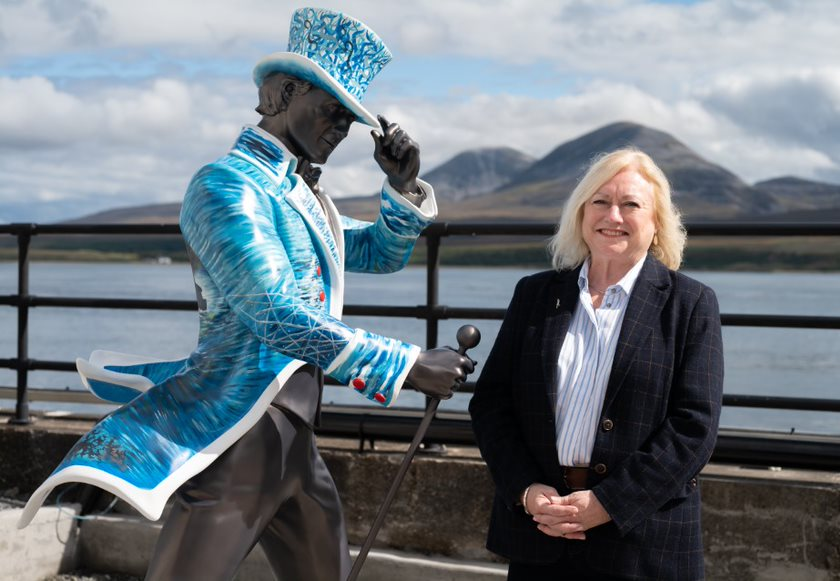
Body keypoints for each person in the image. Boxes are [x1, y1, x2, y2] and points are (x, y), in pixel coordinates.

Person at [19, 7, 473, 581]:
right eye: (334, 110)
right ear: (285, 92)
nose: (343, 129)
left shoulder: (302, 197)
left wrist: (401, 189)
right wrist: (405, 364)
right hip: (239, 439)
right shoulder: (224, 187)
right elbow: (275, 313)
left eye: (352, 120)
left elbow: (377, 254)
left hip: (293, 445)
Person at [469, 148, 724, 580]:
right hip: (541, 533)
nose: (613, 215)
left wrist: (608, 504)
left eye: (631, 205)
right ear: (581, 212)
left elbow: (693, 427)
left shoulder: (691, 303)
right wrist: (528, 492)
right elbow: (492, 404)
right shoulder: (534, 294)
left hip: (642, 545)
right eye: (600, 201)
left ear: (657, 220)